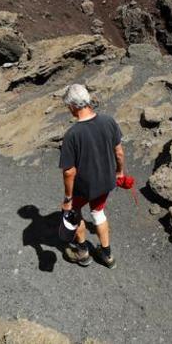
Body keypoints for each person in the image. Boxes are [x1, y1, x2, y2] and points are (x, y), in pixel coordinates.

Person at [59, 84, 126, 268]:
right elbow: (119, 152)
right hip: (105, 181)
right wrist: (119, 172)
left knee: (76, 212)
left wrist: (68, 198)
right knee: (98, 212)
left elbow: (69, 171)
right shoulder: (108, 121)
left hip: (84, 186)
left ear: (72, 106)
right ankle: (107, 255)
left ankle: (82, 252)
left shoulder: (72, 135)